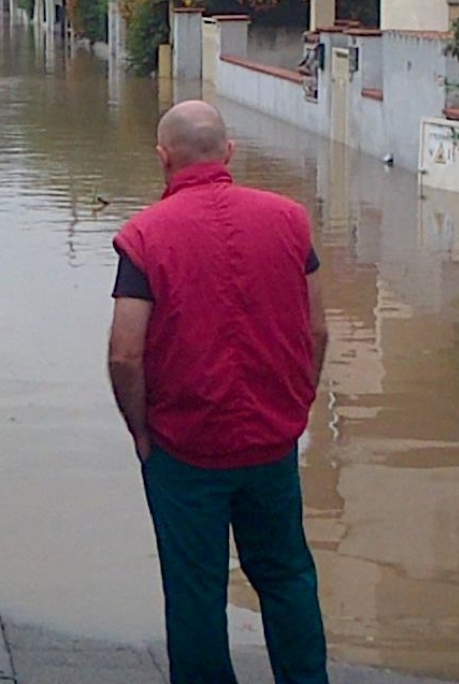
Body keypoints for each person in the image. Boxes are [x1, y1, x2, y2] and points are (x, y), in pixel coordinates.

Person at [107, 100, 329, 684]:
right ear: (229, 152)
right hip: (272, 443)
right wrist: (299, 404)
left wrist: (140, 430)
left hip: (185, 449)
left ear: (163, 158)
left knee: (195, 591)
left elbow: (124, 353)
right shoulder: (289, 220)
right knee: (286, 577)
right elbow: (318, 329)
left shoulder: (143, 238)